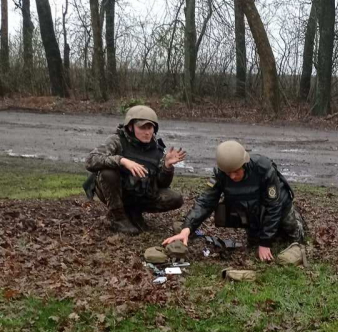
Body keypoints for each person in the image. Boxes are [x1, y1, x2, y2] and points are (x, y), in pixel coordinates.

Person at [162, 140, 306, 263]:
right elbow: (205, 201)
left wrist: (265, 242)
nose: (232, 176)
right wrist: (187, 228)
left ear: (244, 164)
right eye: (228, 172)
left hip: (278, 205)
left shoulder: (264, 168)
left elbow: (274, 206)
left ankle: (296, 219)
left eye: (236, 171)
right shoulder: (220, 174)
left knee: (294, 235)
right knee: (253, 244)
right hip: (252, 210)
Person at [84, 105, 185, 234]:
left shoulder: (157, 149)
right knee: (108, 173)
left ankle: (134, 212)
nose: (147, 132)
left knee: (175, 198)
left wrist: (167, 167)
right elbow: (90, 160)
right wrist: (121, 161)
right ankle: (117, 217)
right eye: (142, 127)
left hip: (140, 193)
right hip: (116, 191)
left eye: (150, 127)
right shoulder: (117, 140)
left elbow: (162, 184)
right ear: (131, 127)